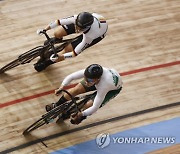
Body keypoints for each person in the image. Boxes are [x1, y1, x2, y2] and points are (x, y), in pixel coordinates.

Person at [46, 64, 123, 124]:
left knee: (89, 105)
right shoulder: (90, 74)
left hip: (111, 89)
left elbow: (95, 107)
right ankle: (57, 104)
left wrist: (82, 114)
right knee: (75, 90)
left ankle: (80, 116)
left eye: (89, 80)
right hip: (101, 81)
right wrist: (61, 87)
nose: (86, 81)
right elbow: (71, 76)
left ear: (98, 79)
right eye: (85, 78)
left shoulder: (104, 86)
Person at [34, 12, 108, 72]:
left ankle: (47, 63)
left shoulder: (90, 36)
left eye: (80, 29)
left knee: (67, 50)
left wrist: (61, 56)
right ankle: (58, 40)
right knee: (57, 33)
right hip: (95, 22)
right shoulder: (76, 18)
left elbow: (75, 53)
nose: (77, 29)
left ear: (86, 28)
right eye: (76, 25)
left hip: (98, 34)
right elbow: (58, 22)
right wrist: (45, 29)